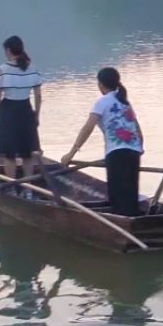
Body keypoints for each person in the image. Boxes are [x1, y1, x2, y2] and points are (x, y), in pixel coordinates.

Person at [61, 66, 145, 216]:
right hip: (134, 151)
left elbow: (87, 128)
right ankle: (131, 221)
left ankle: (122, 224)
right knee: (131, 193)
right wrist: (141, 147)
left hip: (117, 153)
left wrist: (71, 154)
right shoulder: (125, 102)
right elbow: (137, 128)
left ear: (100, 84)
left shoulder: (102, 102)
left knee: (117, 194)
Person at [0, 35, 45, 182]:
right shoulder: (33, 68)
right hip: (26, 109)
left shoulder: (2, 69)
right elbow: (38, 95)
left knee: (9, 154)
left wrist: (0, 114)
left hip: (8, 110)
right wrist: (36, 115)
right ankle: (28, 190)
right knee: (27, 152)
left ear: (8, 50)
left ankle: (12, 187)